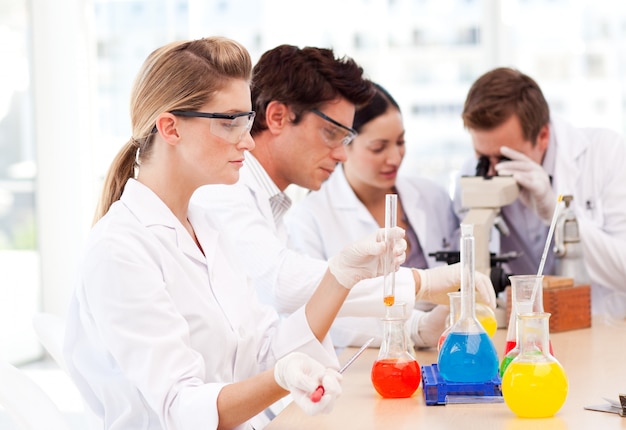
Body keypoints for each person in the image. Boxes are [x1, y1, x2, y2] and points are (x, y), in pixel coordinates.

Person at [62, 36, 408, 430]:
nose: (247, 139)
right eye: (230, 122)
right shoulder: (120, 249)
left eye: (247, 120)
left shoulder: (207, 228)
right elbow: (181, 407)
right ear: (170, 128)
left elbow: (265, 351)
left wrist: (340, 276)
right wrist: (280, 378)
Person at [191, 45, 496, 350]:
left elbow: (319, 310)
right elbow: (283, 285)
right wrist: (422, 284)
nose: (340, 153)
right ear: (278, 117)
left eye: (346, 138)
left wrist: (417, 328)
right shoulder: (222, 191)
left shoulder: (271, 203)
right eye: (330, 133)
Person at [285, 82, 468, 348]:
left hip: (446, 348)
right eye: (379, 147)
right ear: (344, 144)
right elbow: (319, 314)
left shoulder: (432, 196)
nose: (395, 158)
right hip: (368, 360)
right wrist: (416, 328)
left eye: (401, 142)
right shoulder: (308, 219)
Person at [455, 66, 626, 319]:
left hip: (600, 328)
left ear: (542, 136)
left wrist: (555, 215)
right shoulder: (472, 176)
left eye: (505, 157)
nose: (494, 169)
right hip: (522, 331)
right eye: (483, 157)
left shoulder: (606, 154)